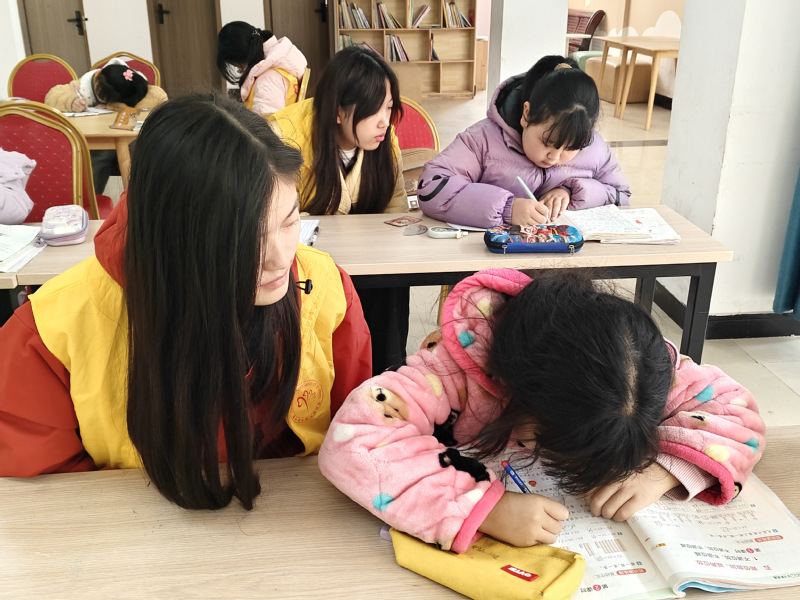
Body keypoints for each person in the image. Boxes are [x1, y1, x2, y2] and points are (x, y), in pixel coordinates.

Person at [0, 94, 372, 511]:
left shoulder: (327, 290)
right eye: (245, 242)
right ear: (173, 241)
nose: (282, 258)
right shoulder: (47, 335)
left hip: (299, 525)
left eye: (289, 222)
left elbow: (360, 432)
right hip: (142, 535)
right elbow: (44, 505)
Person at [318, 269, 766, 553]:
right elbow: (355, 437)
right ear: (519, 391)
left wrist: (663, 470)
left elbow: (736, 409)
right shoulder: (455, 367)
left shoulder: (639, 369)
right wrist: (485, 509)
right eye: (549, 443)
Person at [269, 46, 409, 375]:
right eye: (374, 110)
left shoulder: (384, 140)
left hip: (370, 264)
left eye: (389, 108)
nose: (385, 122)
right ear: (338, 111)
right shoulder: (285, 135)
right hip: (306, 265)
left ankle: (387, 381)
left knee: (392, 281)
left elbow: (396, 205)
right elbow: (276, 217)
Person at [417, 55, 631, 229]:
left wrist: (572, 191)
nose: (555, 157)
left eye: (571, 147)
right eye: (547, 142)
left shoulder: (594, 146)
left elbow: (621, 196)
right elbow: (431, 187)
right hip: (495, 260)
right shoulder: (483, 140)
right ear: (527, 114)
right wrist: (507, 209)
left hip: (564, 260)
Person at [44, 59, 168, 193]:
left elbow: (159, 98)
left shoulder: (135, 86)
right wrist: (71, 101)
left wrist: (114, 106)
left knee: (138, 154)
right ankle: (90, 199)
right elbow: (52, 95)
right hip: (98, 139)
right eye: (102, 98)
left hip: (133, 141)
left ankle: (138, 197)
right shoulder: (86, 84)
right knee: (98, 154)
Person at [217, 21, 308, 116]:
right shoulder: (284, 61)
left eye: (239, 68)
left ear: (238, 60)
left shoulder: (267, 81)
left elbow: (266, 124)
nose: (241, 70)